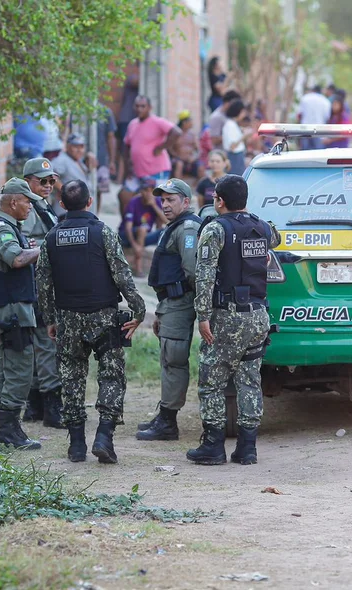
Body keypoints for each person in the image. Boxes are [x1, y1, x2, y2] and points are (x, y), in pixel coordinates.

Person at [37, 180, 146, 463]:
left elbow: (43, 284)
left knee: (71, 377)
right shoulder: (103, 233)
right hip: (104, 317)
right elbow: (122, 274)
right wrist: (138, 308)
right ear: (90, 203)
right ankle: (104, 436)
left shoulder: (51, 238)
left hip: (68, 318)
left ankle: (75, 445)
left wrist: (50, 319)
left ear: (62, 204)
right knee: (111, 375)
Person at [186, 175, 281, 466]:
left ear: (219, 200)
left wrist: (202, 316)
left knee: (212, 381)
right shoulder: (262, 227)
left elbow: (203, 275)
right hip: (259, 315)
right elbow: (276, 238)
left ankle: (213, 446)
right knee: (249, 379)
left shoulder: (215, 229)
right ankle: (247, 448)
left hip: (228, 317)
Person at [0, 179, 45, 450]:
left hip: (14, 310)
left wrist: (28, 247)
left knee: (10, 369)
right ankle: (9, 431)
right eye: (27, 201)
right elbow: (15, 259)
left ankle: (8, 430)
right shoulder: (2, 229)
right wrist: (43, 250)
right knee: (19, 368)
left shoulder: (7, 229)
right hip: (12, 311)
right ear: (13, 202)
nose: (30, 206)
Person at [136, 179, 202, 441]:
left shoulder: (187, 228)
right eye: (162, 200)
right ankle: (165, 414)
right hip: (171, 302)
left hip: (180, 300)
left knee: (173, 359)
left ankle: (168, 422)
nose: (165, 204)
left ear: (186, 202)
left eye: (171, 199)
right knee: (168, 357)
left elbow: (192, 271)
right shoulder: (174, 226)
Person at [19, 157, 65, 427]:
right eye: (42, 181)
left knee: (40, 345)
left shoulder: (42, 206)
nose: (48, 185)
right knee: (47, 346)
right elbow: (27, 247)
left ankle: (35, 406)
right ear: (28, 182)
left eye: (51, 181)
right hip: (36, 286)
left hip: (43, 285)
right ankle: (51, 406)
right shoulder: (27, 210)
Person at [120, 178, 167, 275]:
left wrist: (154, 205)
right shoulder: (134, 201)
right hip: (127, 236)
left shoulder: (156, 202)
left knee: (168, 231)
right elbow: (128, 227)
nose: (149, 193)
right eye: (146, 190)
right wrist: (135, 246)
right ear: (141, 191)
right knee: (142, 229)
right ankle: (138, 268)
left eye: (151, 191)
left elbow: (167, 221)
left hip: (145, 236)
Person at [53, 133, 97, 212]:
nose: (79, 150)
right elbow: (51, 175)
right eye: (75, 146)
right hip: (67, 211)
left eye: (81, 147)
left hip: (81, 210)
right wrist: (64, 190)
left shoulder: (78, 160)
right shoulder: (62, 159)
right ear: (68, 146)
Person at [115, 75, 140, 183]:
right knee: (124, 150)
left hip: (133, 120)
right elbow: (135, 81)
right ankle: (119, 179)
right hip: (126, 120)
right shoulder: (132, 79)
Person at [171, 110, 204, 182]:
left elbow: (199, 150)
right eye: (190, 121)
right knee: (179, 165)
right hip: (178, 160)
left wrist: (194, 158)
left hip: (190, 160)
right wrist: (177, 156)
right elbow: (169, 148)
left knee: (201, 167)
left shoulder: (192, 134)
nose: (192, 123)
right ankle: (178, 187)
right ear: (184, 122)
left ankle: (199, 188)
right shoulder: (175, 133)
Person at [222, 100, 253, 174]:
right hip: (234, 158)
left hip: (238, 157)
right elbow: (232, 146)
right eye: (243, 112)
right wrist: (244, 136)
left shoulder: (234, 124)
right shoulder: (230, 125)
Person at [296, 85, 331, 150]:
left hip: (305, 130)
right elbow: (327, 118)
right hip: (319, 131)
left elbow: (299, 115)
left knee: (304, 153)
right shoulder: (325, 101)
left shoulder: (305, 98)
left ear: (313, 90)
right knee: (318, 154)